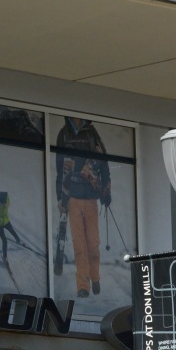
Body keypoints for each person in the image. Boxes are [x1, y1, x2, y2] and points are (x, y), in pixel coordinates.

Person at [55, 117, 111, 298]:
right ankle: (82, 286)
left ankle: (95, 277)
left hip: (91, 198)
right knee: (79, 244)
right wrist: (60, 198)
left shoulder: (92, 133)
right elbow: (59, 168)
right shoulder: (63, 134)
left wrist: (106, 191)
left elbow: (103, 162)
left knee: (93, 243)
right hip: (72, 198)